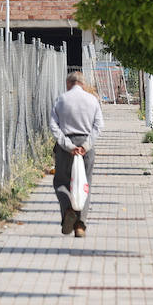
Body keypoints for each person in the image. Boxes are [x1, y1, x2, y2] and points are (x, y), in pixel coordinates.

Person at [49, 70, 104, 237]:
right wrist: (86, 146)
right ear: (83, 83)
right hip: (85, 146)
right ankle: (80, 224)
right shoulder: (92, 100)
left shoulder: (61, 99)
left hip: (66, 147)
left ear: (68, 84)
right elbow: (99, 125)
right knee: (85, 184)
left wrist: (67, 145)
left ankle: (67, 210)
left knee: (61, 181)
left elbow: (53, 125)